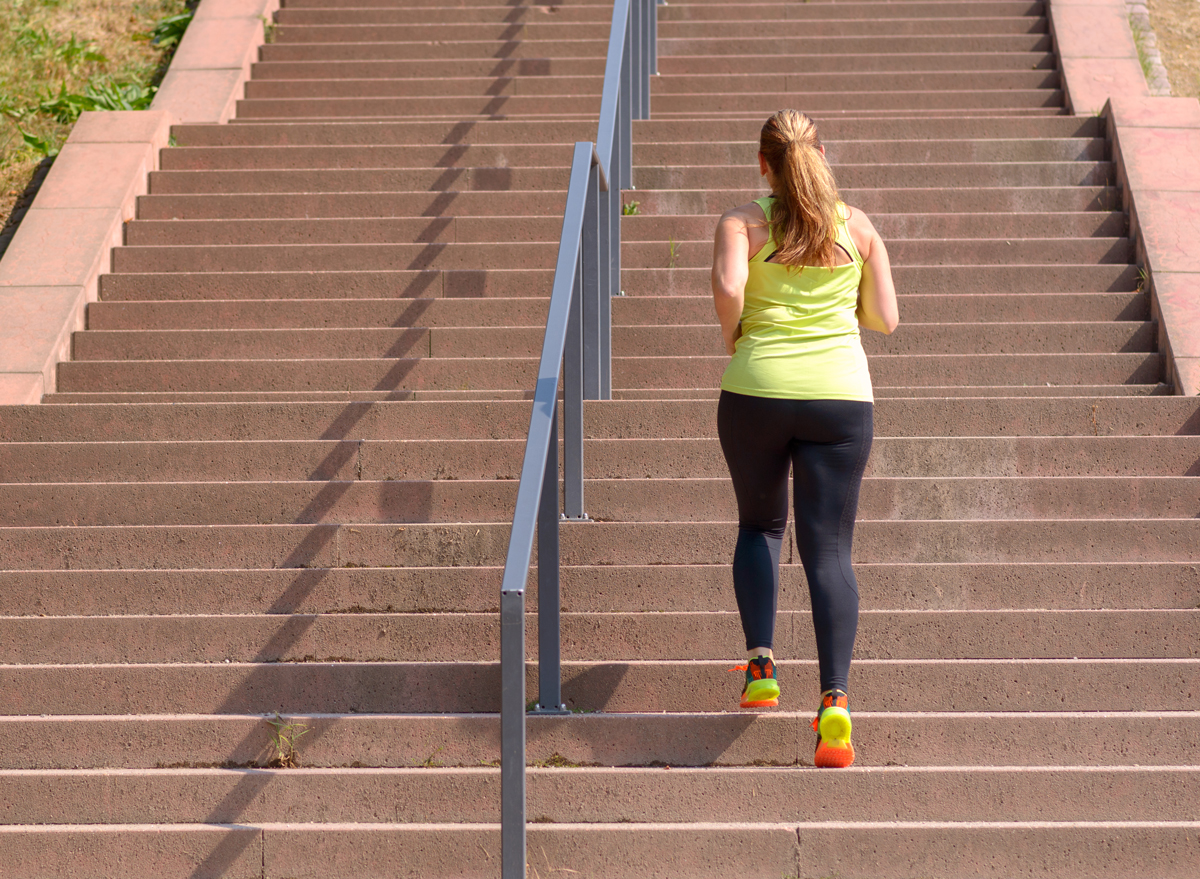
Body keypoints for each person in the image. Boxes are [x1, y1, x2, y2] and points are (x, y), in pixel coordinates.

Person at [710, 109, 898, 769]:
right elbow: (886, 317)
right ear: (821, 153)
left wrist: (738, 337)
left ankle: (761, 666)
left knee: (759, 524)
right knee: (830, 551)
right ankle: (836, 706)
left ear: (764, 162)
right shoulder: (859, 226)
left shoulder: (742, 222)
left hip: (756, 389)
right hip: (841, 398)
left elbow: (732, 285)